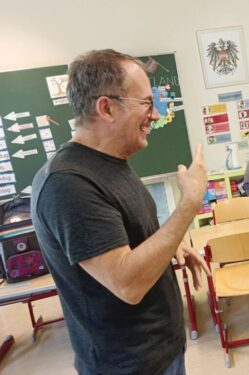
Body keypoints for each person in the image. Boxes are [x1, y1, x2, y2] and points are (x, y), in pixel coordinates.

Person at [31, 49, 209, 375]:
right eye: (145, 103)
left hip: (160, 350)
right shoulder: (68, 184)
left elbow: (127, 236)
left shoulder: (110, 164)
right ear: (107, 107)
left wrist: (172, 245)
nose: (154, 115)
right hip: (128, 366)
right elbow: (127, 283)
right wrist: (189, 203)